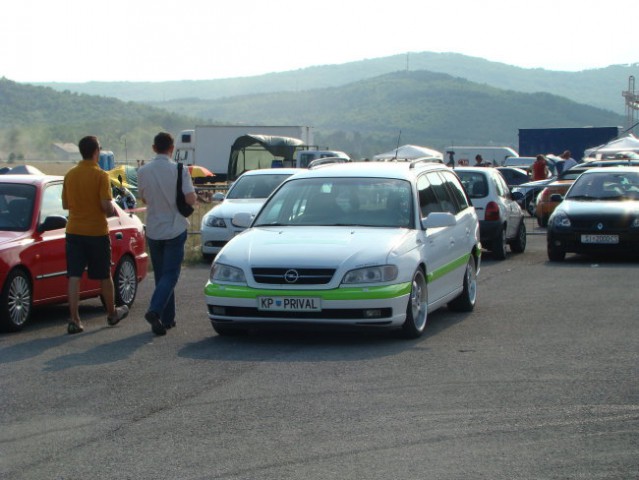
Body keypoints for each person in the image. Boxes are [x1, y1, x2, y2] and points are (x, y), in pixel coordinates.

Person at [62, 136, 129, 334]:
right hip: (96, 232)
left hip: (73, 231)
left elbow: (66, 204)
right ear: (96, 152)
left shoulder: (70, 175)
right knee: (104, 275)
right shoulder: (100, 176)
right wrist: (112, 209)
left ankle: (74, 319)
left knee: (74, 276)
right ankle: (111, 313)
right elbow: (105, 206)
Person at [137, 132, 196, 336]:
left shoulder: (143, 171)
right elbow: (190, 198)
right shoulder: (180, 169)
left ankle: (167, 318)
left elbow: (143, 199)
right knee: (171, 274)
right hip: (175, 227)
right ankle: (155, 311)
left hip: (154, 228)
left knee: (162, 275)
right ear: (172, 148)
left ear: (154, 148)